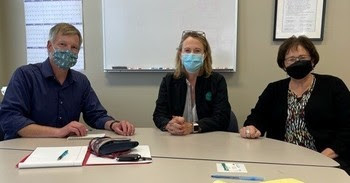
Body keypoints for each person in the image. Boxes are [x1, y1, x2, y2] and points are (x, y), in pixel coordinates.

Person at [0, 23, 135, 140]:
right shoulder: (25, 75)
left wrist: (113, 124)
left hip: (65, 150)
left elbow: (95, 115)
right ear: (49, 46)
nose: (68, 51)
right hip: (23, 148)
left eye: (74, 47)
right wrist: (58, 132)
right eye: (62, 44)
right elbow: (10, 119)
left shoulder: (80, 81)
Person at [240, 35, 350, 174]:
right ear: (283, 64)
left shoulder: (333, 85)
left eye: (302, 58)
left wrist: (322, 157)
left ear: (313, 60)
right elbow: (257, 118)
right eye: (291, 59)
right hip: (281, 160)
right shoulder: (274, 89)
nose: (297, 63)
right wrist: (251, 128)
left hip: (326, 159)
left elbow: (347, 129)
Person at [153, 30, 231, 135]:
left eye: (197, 51)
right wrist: (169, 125)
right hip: (176, 141)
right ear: (180, 54)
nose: (192, 55)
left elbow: (222, 118)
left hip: (208, 141)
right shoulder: (169, 81)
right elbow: (158, 114)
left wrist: (193, 127)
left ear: (205, 54)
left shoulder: (217, 81)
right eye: (187, 50)